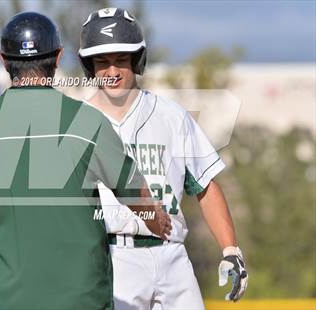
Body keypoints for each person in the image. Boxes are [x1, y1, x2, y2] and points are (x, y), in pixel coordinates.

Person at [0, 11, 171, 310]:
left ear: (3, 60)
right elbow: (136, 197)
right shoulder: (89, 122)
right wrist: (158, 220)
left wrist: (7, 237)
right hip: (82, 301)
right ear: (59, 57)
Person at [77, 7, 248, 310]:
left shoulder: (172, 116)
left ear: (137, 60)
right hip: (113, 257)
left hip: (173, 257)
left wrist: (230, 249)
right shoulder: (77, 124)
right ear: (89, 66)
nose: (112, 70)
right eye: (102, 62)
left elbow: (205, 186)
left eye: (121, 60)